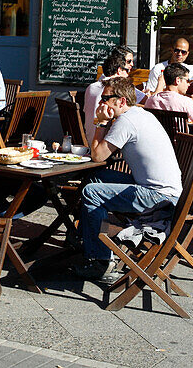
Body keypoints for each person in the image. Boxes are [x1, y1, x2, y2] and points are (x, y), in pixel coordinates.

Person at [74, 77, 183, 279]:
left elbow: (98, 155)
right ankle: (86, 238)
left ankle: (101, 260)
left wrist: (102, 122)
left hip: (158, 198)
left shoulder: (126, 121)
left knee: (91, 192)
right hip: (163, 191)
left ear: (121, 101)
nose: (101, 103)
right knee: (96, 177)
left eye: (106, 98)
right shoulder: (140, 114)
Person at [143, 62, 193, 130]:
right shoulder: (186, 102)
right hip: (178, 140)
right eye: (187, 80)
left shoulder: (151, 100)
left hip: (156, 139)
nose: (188, 84)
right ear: (177, 80)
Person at [83, 49, 129, 144]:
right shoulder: (120, 87)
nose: (128, 74)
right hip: (104, 143)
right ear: (119, 70)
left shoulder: (91, 87)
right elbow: (148, 102)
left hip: (89, 140)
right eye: (127, 70)